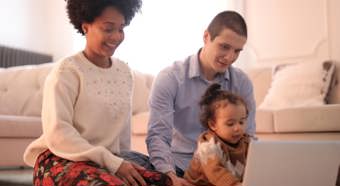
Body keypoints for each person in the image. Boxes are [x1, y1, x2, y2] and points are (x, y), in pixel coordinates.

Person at [23, 0, 171, 185]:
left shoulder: (124, 72)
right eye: (108, 29)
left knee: (167, 180)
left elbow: (122, 135)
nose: (117, 36)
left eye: (121, 28)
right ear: (86, 27)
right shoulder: (67, 72)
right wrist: (113, 164)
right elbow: (58, 134)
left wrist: (122, 163)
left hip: (107, 159)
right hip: (61, 158)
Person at [146, 10, 256, 185]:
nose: (230, 57)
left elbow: (248, 135)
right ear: (206, 37)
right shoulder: (170, 78)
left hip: (227, 171)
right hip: (181, 168)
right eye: (224, 46)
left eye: (237, 51)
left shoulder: (242, 82)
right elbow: (158, 136)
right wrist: (169, 175)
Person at [184, 83, 250, 186]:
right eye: (230, 124)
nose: (238, 128)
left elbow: (255, 161)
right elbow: (217, 173)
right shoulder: (207, 147)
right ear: (213, 124)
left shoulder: (245, 141)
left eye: (241, 122)